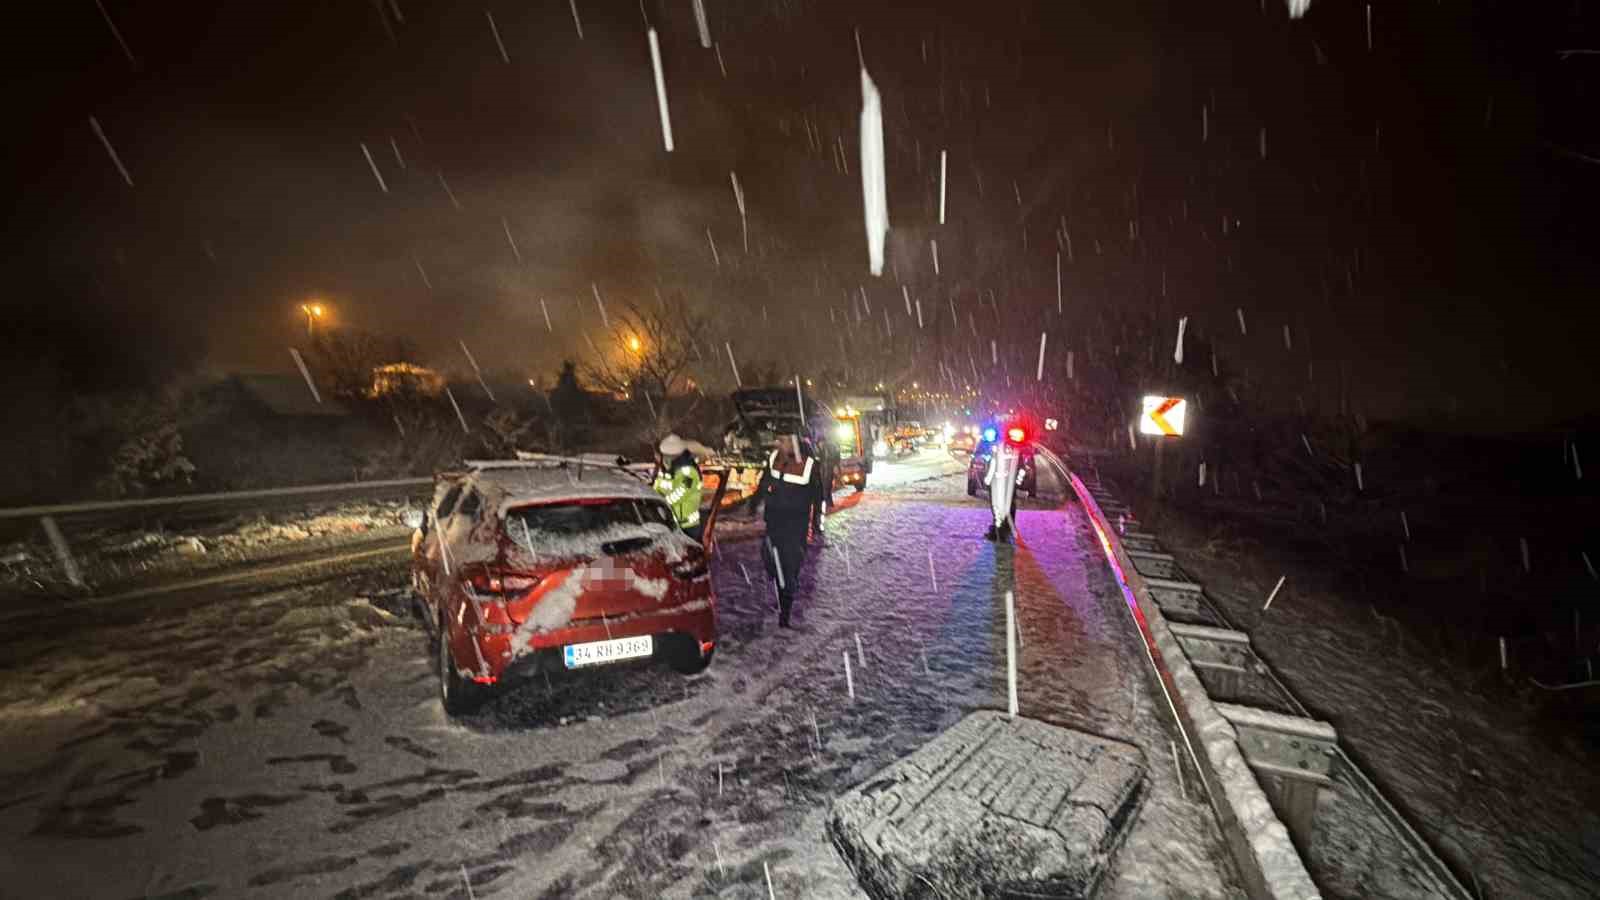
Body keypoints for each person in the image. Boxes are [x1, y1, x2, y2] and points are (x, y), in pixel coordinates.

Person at [748, 434, 815, 628]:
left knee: (788, 567)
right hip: (775, 522)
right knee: (771, 560)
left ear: (794, 441)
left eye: (783, 440)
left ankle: (785, 611)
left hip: (795, 526)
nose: (779, 444)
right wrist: (755, 502)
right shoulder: (774, 458)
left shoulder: (809, 464)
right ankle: (783, 583)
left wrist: (816, 518)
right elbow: (764, 482)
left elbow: (816, 493)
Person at [653, 434, 705, 543]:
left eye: (666, 456)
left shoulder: (688, 471)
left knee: (689, 557)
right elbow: (660, 486)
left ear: (675, 455)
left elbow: (680, 494)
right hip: (674, 524)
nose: (664, 459)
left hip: (687, 526)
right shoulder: (670, 470)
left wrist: (662, 503)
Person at [984, 436, 1027, 542]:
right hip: (1009, 487)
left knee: (998, 510)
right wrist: (1017, 483)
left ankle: (1000, 534)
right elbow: (1022, 469)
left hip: (998, 486)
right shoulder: (1016, 451)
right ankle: (1003, 531)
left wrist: (987, 482)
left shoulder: (997, 451)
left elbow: (992, 467)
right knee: (1009, 508)